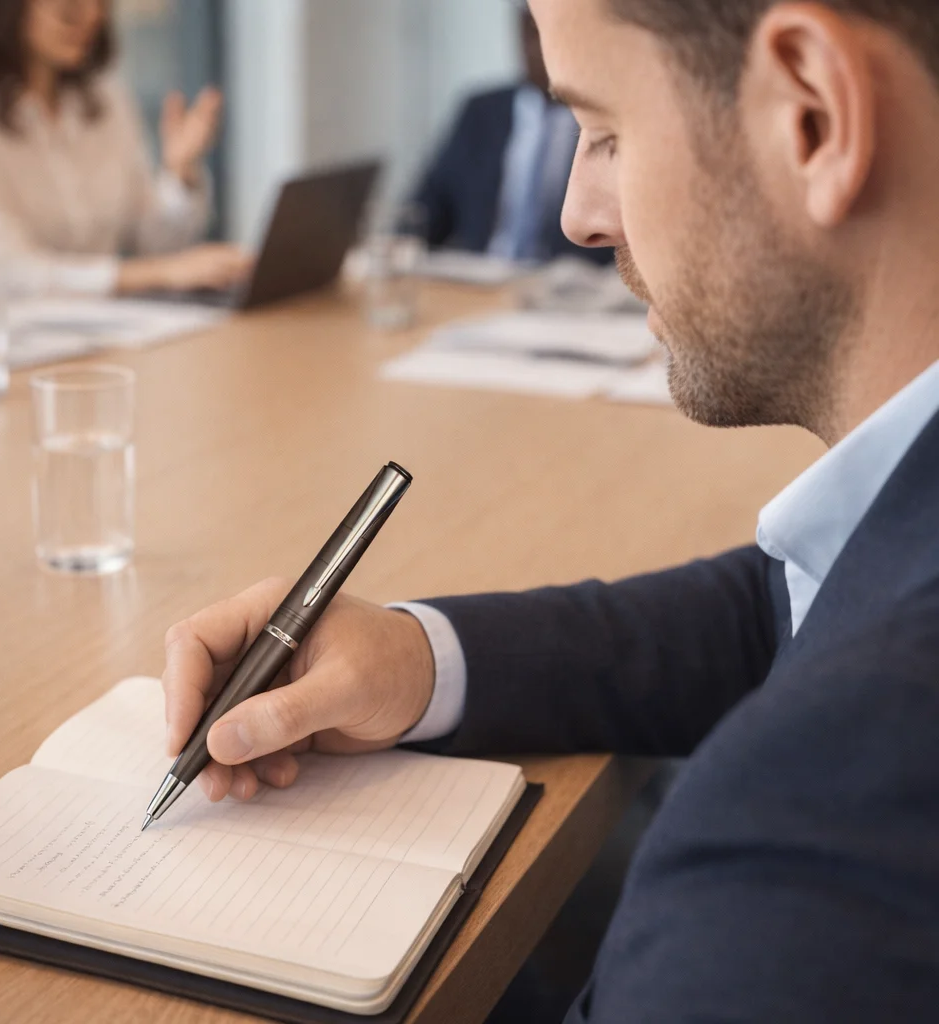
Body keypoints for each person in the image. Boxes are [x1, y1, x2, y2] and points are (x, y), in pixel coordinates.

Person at [163, 0, 939, 1021]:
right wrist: (418, 658)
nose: (577, 213)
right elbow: (786, 603)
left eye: (607, 131)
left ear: (813, 119)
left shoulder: (803, 851)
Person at [0, 0, 250, 296]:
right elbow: (2, 274)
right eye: (69, 4)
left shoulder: (106, 102)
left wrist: (180, 169)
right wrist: (158, 274)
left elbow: (153, 242)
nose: (90, 14)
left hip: (111, 338)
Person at [412, 6, 613, 266]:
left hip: (572, 291)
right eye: (531, 28)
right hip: (483, 284)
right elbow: (423, 214)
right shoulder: (480, 112)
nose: (539, 44)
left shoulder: (606, 116)